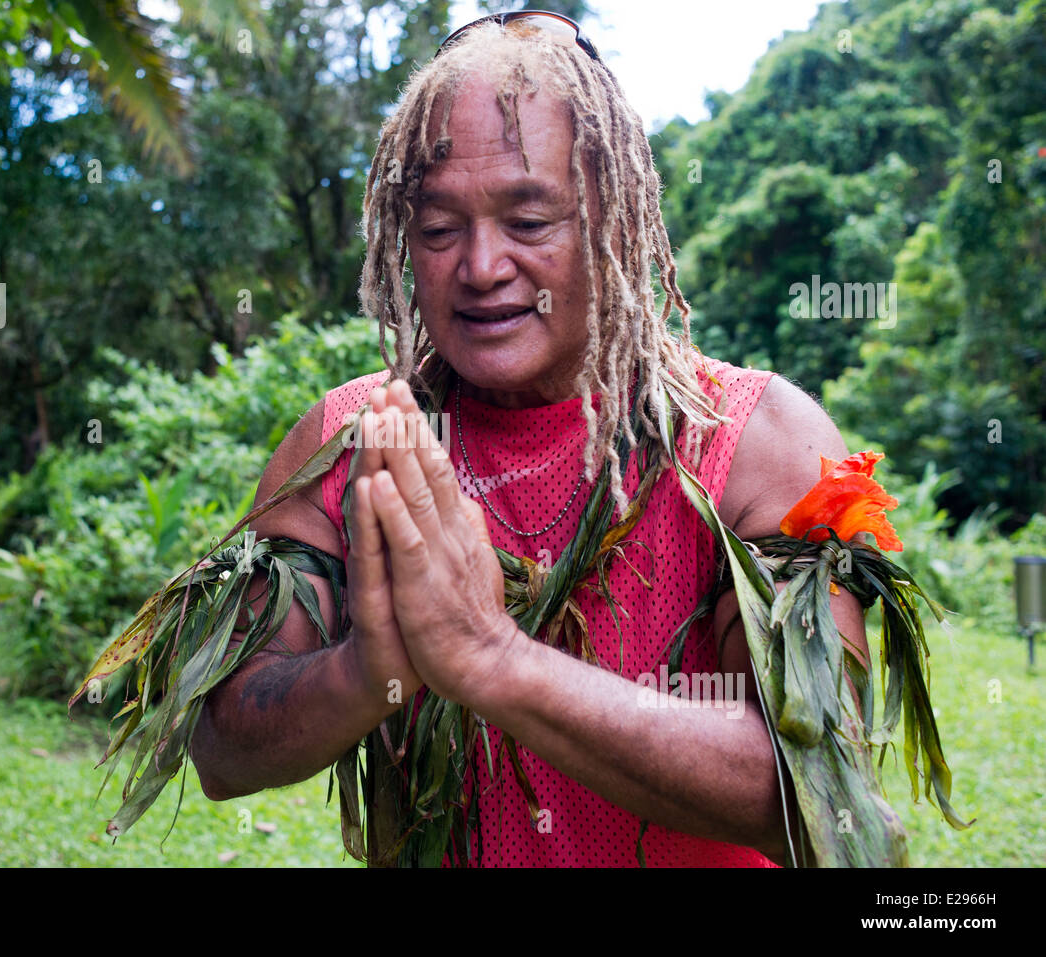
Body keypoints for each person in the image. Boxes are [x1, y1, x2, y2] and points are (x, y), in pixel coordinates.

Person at [189, 11, 869, 867]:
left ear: (617, 222)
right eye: (438, 229)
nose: (479, 265)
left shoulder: (757, 440)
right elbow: (220, 747)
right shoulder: (355, 443)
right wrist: (370, 669)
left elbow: (814, 781)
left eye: (530, 220)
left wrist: (490, 657)